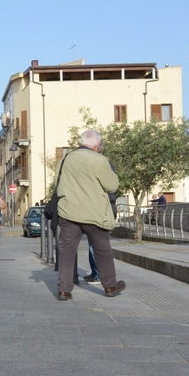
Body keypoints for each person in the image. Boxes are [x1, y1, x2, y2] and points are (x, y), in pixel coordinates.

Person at [54, 129, 125, 301]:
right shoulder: (100, 160)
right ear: (98, 145)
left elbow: (57, 184)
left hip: (69, 212)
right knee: (102, 250)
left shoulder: (64, 160)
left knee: (67, 251)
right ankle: (110, 286)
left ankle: (64, 290)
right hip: (94, 213)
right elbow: (112, 186)